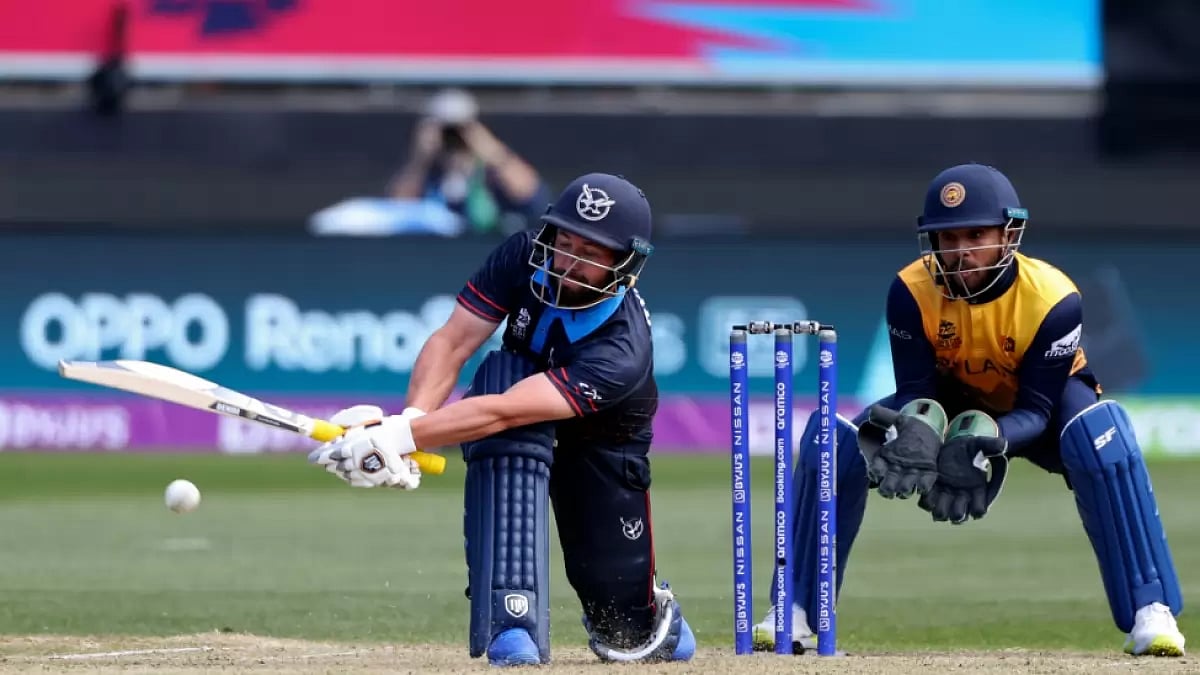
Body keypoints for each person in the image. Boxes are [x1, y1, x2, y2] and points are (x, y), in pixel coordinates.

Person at [754, 163, 1186, 657]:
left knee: (1101, 436)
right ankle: (794, 610)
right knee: (834, 441)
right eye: (948, 237)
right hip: (949, 395)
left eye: (976, 235)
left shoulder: (1054, 299)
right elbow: (916, 391)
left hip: (1040, 405)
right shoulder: (910, 290)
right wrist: (919, 430)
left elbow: (1038, 410)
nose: (961, 251)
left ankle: (1152, 611)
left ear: (1008, 235)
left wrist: (986, 442)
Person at [309, 172, 695, 666]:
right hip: (515, 403)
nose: (568, 263)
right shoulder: (522, 255)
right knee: (502, 382)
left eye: (590, 254)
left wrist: (400, 436)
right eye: (565, 243)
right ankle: (513, 623)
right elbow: (453, 341)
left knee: (622, 630)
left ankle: (653, 620)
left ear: (624, 264)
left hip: (602, 444)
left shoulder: (621, 351)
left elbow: (502, 410)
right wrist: (412, 419)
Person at [389, 88, 550, 235]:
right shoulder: (426, 172)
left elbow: (530, 195)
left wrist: (491, 151)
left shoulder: (492, 169)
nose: (452, 137)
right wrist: (420, 158)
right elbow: (399, 209)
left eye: (458, 130)